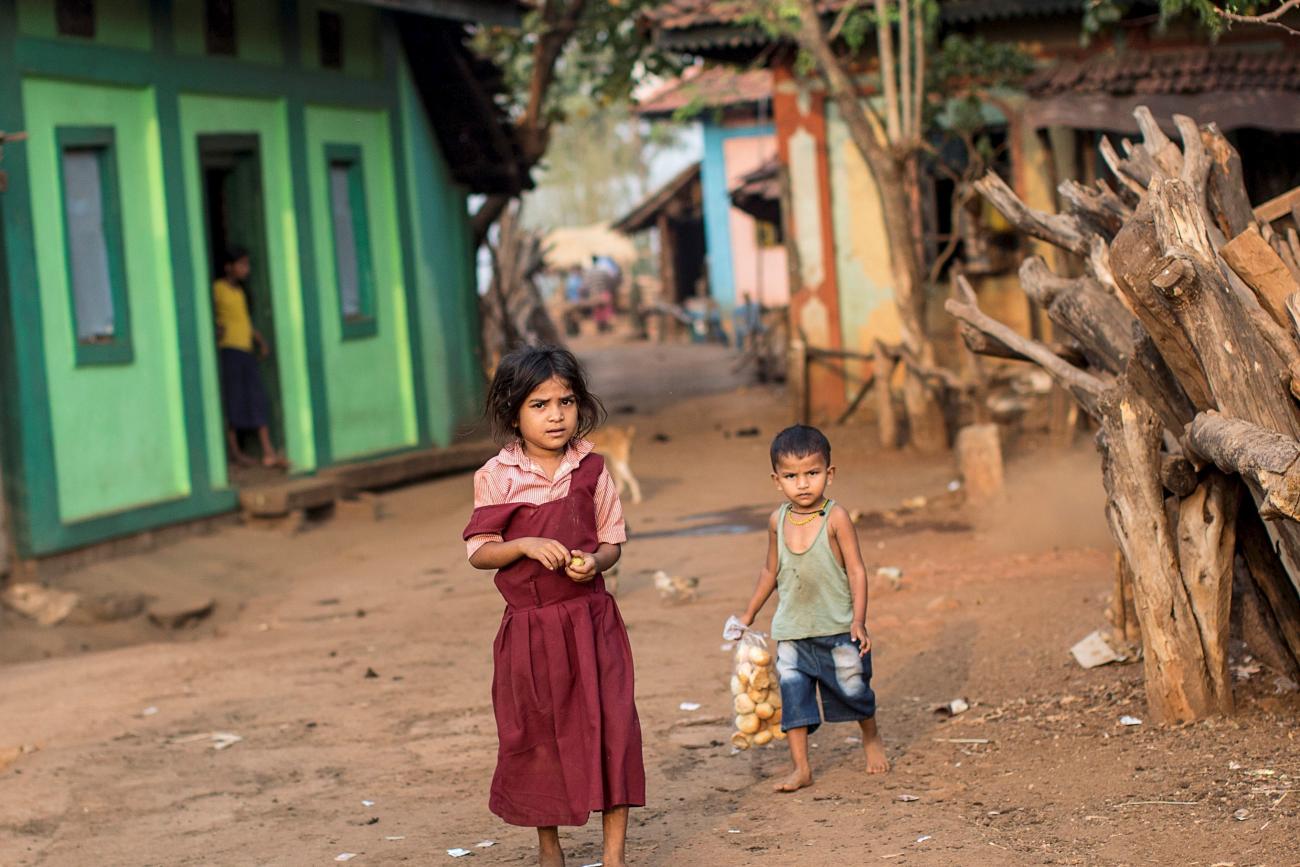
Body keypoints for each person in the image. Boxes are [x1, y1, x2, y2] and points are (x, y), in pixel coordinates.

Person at [462, 345, 644, 867]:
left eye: (565, 401)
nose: (556, 415)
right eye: (540, 405)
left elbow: (612, 539)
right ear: (513, 412)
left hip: (592, 623)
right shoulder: (497, 475)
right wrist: (522, 546)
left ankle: (614, 857)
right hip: (531, 633)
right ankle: (550, 848)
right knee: (539, 734)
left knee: (613, 727)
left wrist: (596, 561)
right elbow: (479, 551)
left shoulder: (592, 469)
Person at [733, 424, 888, 792]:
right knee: (793, 702)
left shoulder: (836, 518)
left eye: (812, 473)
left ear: (829, 474)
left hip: (837, 630)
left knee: (855, 691)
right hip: (792, 633)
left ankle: (871, 737)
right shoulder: (777, 521)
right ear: (777, 481)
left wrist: (860, 621)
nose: (802, 484)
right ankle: (802, 768)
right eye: (791, 476)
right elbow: (771, 570)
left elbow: (857, 570)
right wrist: (749, 613)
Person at [212, 247, 286, 469]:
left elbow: (245, 320)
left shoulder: (240, 292)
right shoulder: (218, 289)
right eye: (242, 264)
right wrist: (217, 329)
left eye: (247, 264)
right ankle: (236, 453)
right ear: (228, 267)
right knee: (233, 399)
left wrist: (260, 341)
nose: (246, 269)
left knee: (256, 397)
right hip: (229, 350)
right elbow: (213, 316)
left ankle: (268, 451)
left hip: (245, 350)